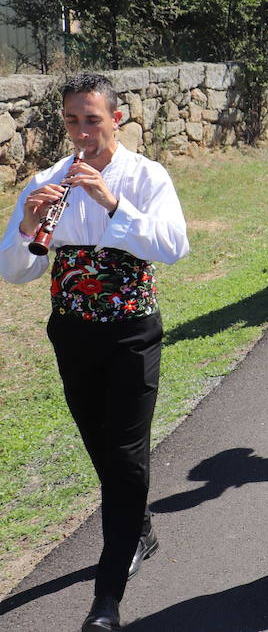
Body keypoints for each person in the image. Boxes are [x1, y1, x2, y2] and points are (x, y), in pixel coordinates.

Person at [1, 73, 190, 631]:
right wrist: (30, 225)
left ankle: (106, 598)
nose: (82, 132)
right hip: (73, 331)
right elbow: (16, 272)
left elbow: (173, 247)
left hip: (133, 329)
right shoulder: (47, 179)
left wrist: (113, 205)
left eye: (93, 119)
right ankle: (140, 527)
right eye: (71, 121)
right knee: (101, 444)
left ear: (118, 118)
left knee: (128, 451)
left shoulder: (146, 176)